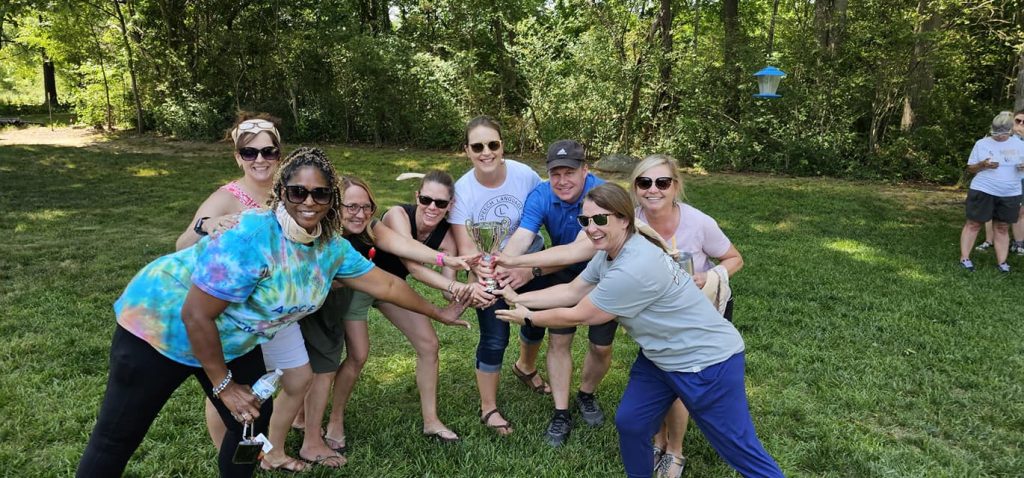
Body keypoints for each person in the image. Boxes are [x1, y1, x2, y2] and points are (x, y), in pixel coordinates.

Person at [76, 147, 464, 478]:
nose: (308, 202)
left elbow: (389, 285)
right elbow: (196, 315)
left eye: (319, 193)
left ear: (331, 199)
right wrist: (224, 386)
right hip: (159, 328)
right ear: (281, 193)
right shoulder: (251, 237)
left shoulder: (330, 247)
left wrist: (439, 313)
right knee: (119, 434)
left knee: (251, 424)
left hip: (231, 337)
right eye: (297, 192)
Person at [494, 183, 783, 478]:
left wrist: (529, 318)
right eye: (586, 221)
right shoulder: (609, 252)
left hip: (706, 361)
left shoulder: (633, 265)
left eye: (601, 219)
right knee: (632, 423)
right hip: (660, 356)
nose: (592, 228)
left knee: (739, 448)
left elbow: (580, 314)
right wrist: (519, 298)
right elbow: (572, 290)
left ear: (624, 219)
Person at [299, 174, 471, 464]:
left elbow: (406, 255)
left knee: (429, 344)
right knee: (357, 355)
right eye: (426, 199)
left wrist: (448, 266)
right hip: (359, 288)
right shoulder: (395, 216)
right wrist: (448, 274)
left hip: (390, 288)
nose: (432, 207)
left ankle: (431, 421)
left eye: (366, 207)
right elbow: (411, 258)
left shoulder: (373, 225)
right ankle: (334, 419)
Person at [174, 113, 310, 472]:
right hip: (234, 315)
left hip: (278, 311)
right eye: (249, 153)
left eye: (268, 151)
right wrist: (207, 225)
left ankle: (273, 450)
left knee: (298, 379)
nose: (260, 160)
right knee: (231, 389)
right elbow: (181, 243)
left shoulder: (288, 192)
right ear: (238, 157)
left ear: (280, 154)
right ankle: (229, 453)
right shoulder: (227, 197)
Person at [495, 139, 613, 447]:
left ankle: (586, 394)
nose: (562, 181)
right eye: (555, 173)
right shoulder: (541, 194)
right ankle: (561, 412)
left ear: (585, 171)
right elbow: (524, 235)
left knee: (601, 348)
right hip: (562, 273)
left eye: (569, 172)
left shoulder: (601, 196)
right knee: (559, 340)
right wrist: (500, 262)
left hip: (605, 276)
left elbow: (577, 250)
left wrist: (521, 264)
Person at [632, 154, 744, 478]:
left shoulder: (699, 222)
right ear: (636, 187)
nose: (653, 189)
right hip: (653, 315)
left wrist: (709, 277)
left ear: (675, 187)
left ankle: (674, 450)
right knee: (658, 376)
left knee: (681, 380)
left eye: (662, 182)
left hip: (700, 315)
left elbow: (734, 258)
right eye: (645, 182)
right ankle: (658, 438)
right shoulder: (630, 223)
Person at [448, 115, 548, 436]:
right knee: (495, 337)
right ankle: (488, 407)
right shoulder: (461, 191)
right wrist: (482, 277)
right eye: (478, 146)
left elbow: (543, 209)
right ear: (467, 150)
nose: (486, 152)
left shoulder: (525, 175)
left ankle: (525, 367)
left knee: (535, 323)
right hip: (488, 271)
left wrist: (527, 266)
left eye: (493, 144)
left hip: (528, 264)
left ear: (502, 145)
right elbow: (465, 246)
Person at [958, 111, 1024, 272]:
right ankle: (964, 258)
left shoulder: (1020, 145)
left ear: (1010, 130)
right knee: (973, 223)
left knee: (1002, 226)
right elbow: (971, 168)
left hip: (1010, 192)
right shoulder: (982, 144)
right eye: (996, 133)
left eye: (1002, 134)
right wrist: (983, 165)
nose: (999, 137)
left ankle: (1002, 263)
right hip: (983, 189)